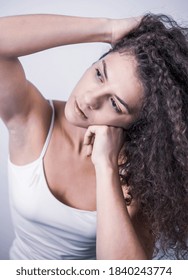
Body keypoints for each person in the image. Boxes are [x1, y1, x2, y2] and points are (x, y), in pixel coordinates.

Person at [0, 12, 187, 260]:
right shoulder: (34, 118)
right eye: (100, 75)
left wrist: (106, 165)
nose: (89, 99)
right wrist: (107, 29)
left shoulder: (141, 180)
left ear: (139, 125)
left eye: (114, 104)